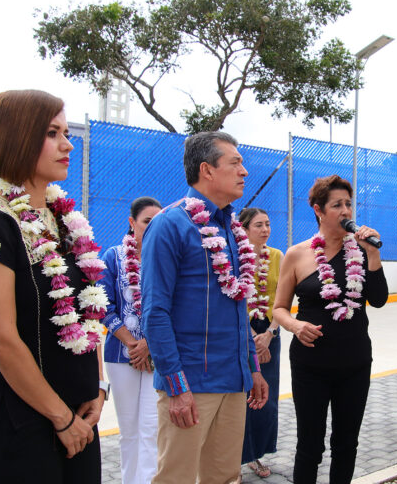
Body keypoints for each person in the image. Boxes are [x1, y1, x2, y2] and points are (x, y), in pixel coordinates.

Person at [0, 90, 109, 483]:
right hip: (21, 423)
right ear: (18, 138)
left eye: (66, 132)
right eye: (52, 133)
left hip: (77, 414)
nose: (67, 144)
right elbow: (1, 340)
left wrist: (97, 388)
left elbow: (88, 316)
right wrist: (60, 419)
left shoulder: (64, 221)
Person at [142, 131, 269, 484]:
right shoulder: (170, 225)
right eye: (235, 163)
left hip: (232, 381)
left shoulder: (232, 229)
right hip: (191, 385)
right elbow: (155, 312)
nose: (244, 171)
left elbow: (237, 307)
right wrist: (177, 388)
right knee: (176, 478)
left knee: (225, 477)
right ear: (207, 171)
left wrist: (252, 368)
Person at [273, 175, 389, 483]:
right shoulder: (297, 254)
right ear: (318, 210)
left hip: (354, 363)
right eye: (336, 205)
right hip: (310, 365)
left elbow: (378, 300)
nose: (345, 211)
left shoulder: (362, 252)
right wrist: (296, 326)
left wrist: (373, 254)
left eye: (349, 204)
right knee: (309, 445)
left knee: (346, 444)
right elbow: (279, 309)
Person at [99, 196, 162, 484]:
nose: (152, 227)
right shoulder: (113, 256)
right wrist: (131, 343)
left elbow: (171, 305)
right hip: (119, 354)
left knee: (152, 427)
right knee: (129, 430)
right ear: (131, 222)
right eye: (147, 221)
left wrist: (148, 343)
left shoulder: (165, 257)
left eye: (157, 222)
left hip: (157, 354)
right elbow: (103, 306)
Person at [238, 208, 283, 479]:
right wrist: (249, 338)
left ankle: (256, 454)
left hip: (270, 333)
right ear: (244, 229)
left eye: (267, 224)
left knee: (266, 400)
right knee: (239, 398)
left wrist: (270, 335)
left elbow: (284, 299)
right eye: (258, 225)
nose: (265, 229)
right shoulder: (235, 257)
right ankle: (234, 458)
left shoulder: (277, 256)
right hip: (241, 335)